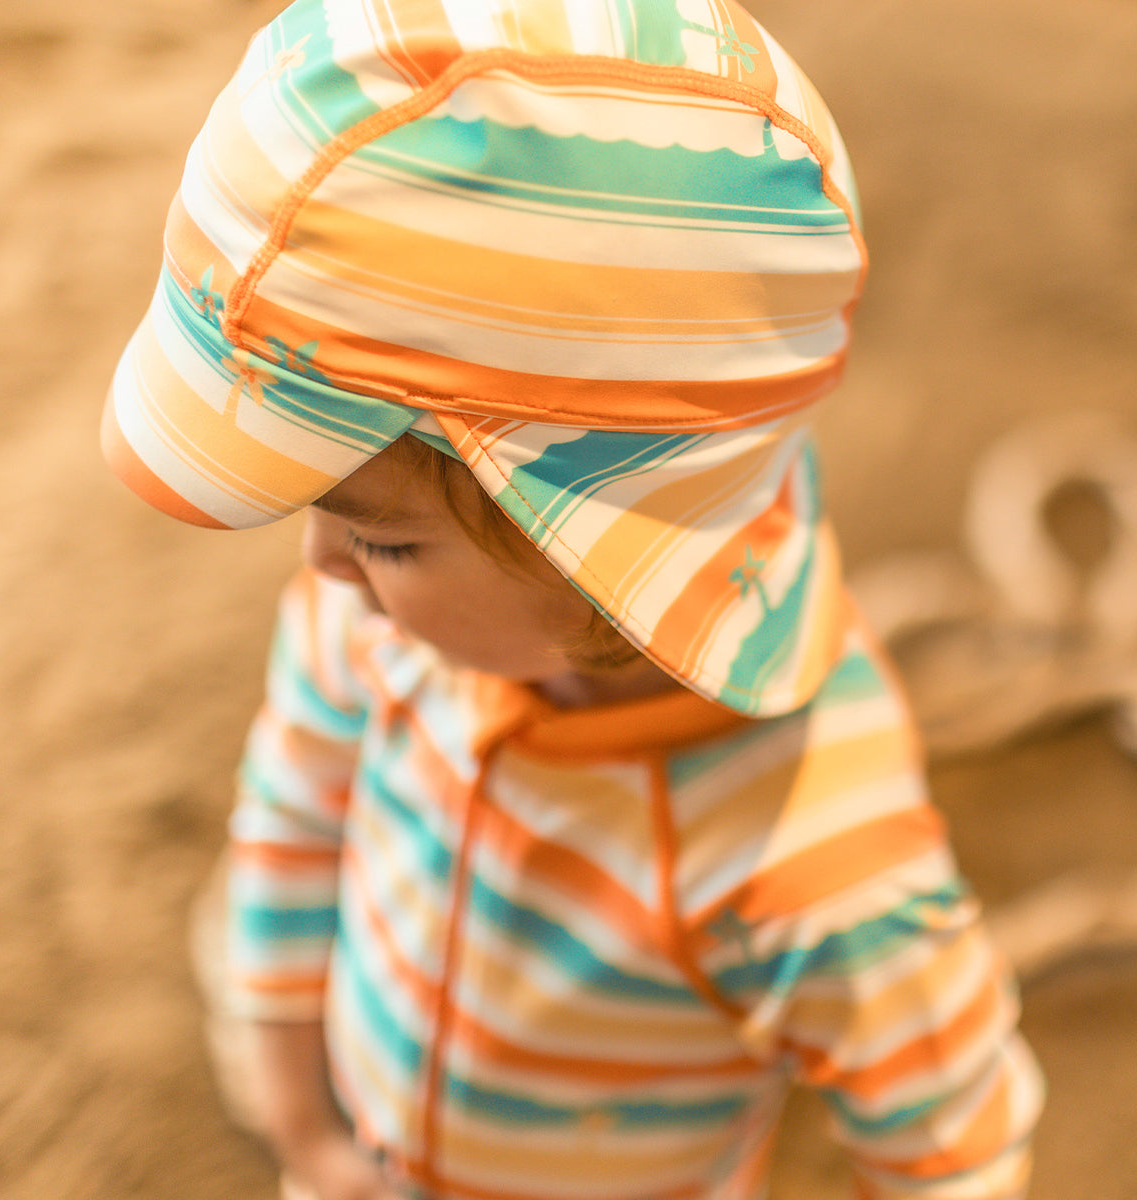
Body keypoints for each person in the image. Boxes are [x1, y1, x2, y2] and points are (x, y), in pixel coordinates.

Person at [102, 2, 1044, 1198]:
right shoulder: (367, 633)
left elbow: (954, 1146)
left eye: (381, 541)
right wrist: (303, 1124)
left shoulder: (812, 861)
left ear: (590, 546)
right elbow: (289, 829)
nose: (321, 573)